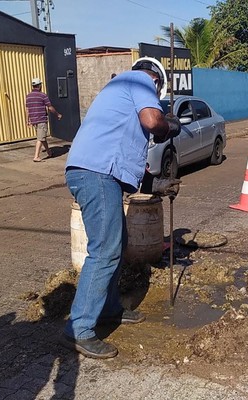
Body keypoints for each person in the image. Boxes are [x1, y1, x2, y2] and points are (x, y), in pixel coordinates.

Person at [61, 57, 181, 359]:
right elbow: (153, 122)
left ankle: (109, 310)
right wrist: (169, 126)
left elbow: (133, 170)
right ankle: (79, 328)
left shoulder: (118, 103)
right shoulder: (138, 80)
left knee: (118, 244)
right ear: (156, 82)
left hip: (97, 172)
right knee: (105, 251)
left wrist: (161, 184)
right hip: (96, 174)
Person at [26, 78, 62, 162]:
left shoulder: (28, 96)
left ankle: (49, 152)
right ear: (39, 86)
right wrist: (57, 114)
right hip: (41, 119)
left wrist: (27, 120)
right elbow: (50, 107)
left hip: (34, 120)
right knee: (40, 138)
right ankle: (36, 156)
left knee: (42, 137)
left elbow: (27, 109)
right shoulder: (43, 95)